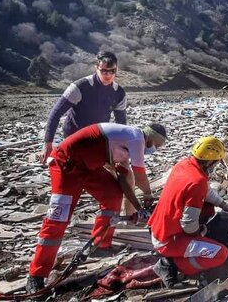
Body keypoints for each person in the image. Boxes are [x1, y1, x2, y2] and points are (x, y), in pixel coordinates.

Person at [26, 122, 167, 294]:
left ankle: (101, 244)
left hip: (89, 167)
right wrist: (147, 195)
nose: (155, 150)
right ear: (151, 138)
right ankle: (36, 274)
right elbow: (140, 175)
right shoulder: (137, 138)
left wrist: (138, 208)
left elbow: (123, 181)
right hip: (66, 164)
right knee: (58, 219)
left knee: (112, 195)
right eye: (157, 145)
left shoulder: (125, 144)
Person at [148, 136, 228, 288]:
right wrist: (201, 232)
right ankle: (171, 264)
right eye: (217, 161)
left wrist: (224, 205)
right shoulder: (197, 182)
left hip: (158, 228)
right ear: (211, 161)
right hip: (167, 240)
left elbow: (206, 191)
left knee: (210, 220)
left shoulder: (184, 165)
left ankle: (175, 259)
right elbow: (189, 225)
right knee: (221, 254)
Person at [40, 51, 127, 164]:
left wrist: (120, 145)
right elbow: (56, 113)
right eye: (104, 71)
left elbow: (121, 121)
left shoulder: (119, 92)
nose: (108, 75)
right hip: (74, 136)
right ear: (96, 67)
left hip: (97, 137)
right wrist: (47, 144)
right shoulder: (80, 87)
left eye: (112, 71)